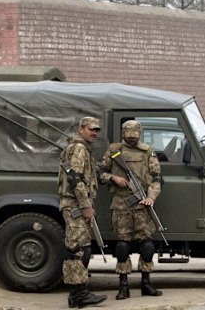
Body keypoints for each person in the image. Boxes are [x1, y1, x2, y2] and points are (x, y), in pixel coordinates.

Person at [99, 120, 163, 300]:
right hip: (120, 203)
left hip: (142, 204)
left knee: (147, 245)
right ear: (123, 133)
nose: (133, 139)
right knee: (122, 245)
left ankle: (146, 283)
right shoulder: (113, 151)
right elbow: (101, 173)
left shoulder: (147, 151)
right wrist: (114, 178)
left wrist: (151, 197)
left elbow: (157, 178)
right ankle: (123, 285)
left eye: (136, 136)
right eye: (129, 135)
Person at [58, 116, 107, 309]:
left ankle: (76, 295)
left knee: (76, 248)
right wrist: (86, 205)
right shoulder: (79, 149)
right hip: (75, 205)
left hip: (74, 204)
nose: (94, 133)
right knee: (79, 249)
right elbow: (75, 179)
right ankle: (79, 295)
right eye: (90, 129)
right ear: (81, 130)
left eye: (96, 130)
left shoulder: (80, 148)